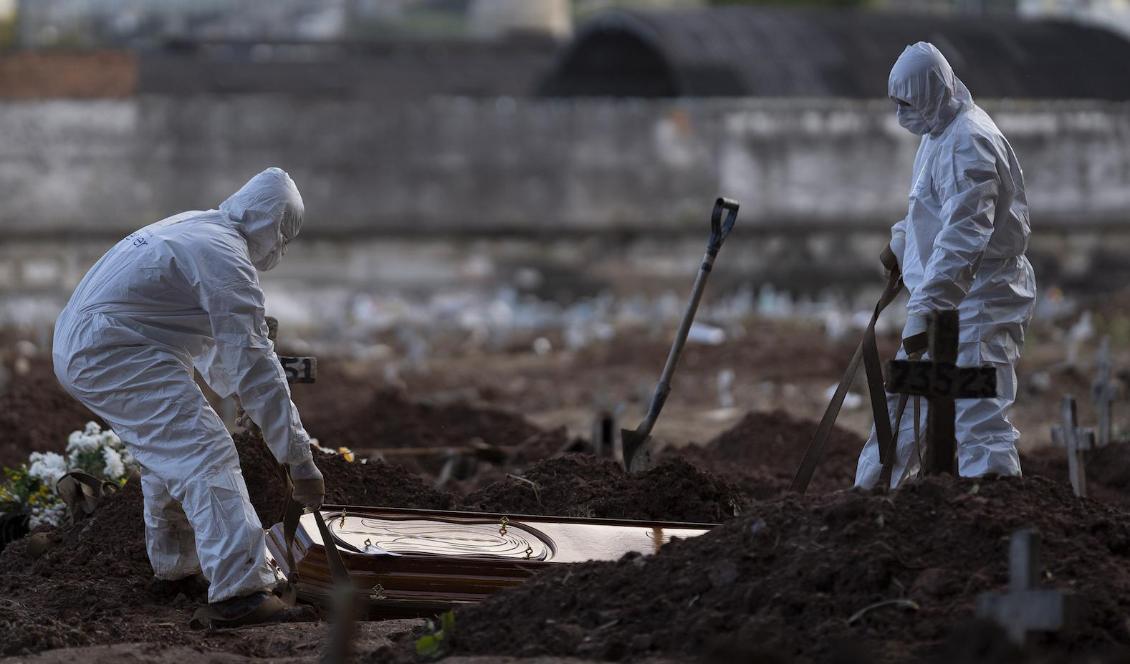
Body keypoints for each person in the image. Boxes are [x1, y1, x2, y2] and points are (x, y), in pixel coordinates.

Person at [53, 167, 325, 623]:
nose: (280, 249)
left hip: (100, 343)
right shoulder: (225, 257)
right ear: (272, 226)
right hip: (112, 351)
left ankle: (178, 569)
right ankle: (243, 593)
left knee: (173, 456)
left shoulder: (199, 227)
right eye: (284, 237)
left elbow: (215, 339)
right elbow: (255, 361)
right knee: (206, 454)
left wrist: (243, 395)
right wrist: (300, 460)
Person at [855, 42, 1037, 489]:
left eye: (907, 102)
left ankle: (992, 510)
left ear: (932, 92)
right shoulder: (942, 132)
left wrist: (927, 308)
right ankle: (869, 507)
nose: (901, 113)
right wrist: (902, 243)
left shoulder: (968, 142)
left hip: (980, 298)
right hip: (951, 298)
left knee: (976, 411)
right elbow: (931, 208)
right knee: (902, 406)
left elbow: (963, 238)